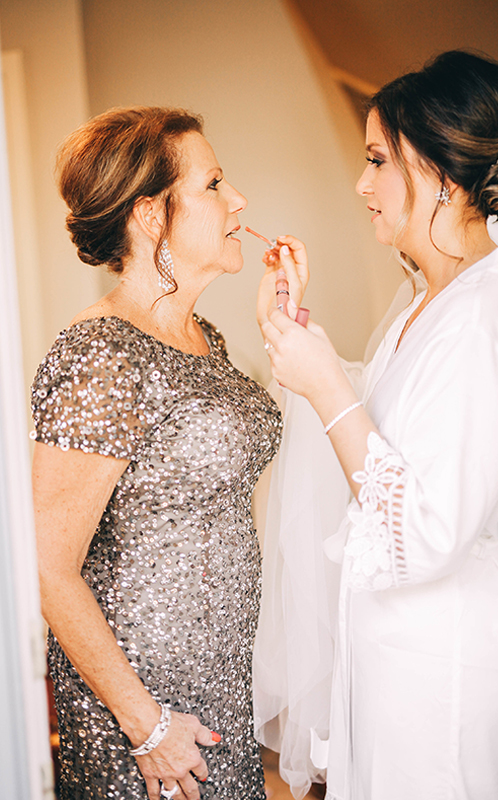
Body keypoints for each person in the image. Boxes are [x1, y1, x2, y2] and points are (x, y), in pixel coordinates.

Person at [255, 51, 498, 800]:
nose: (360, 183)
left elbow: (424, 529)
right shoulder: (428, 304)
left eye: (376, 160)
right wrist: (306, 345)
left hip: (442, 676)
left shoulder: (483, 314)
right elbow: (388, 432)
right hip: (394, 664)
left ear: (441, 175)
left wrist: (326, 385)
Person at [31, 106, 282, 800]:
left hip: (221, 691)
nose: (239, 202)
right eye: (214, 185)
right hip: (146, 716)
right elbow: (48, 566)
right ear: (151, 216)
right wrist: (146, 726)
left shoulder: (206, 336)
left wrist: (285, 329)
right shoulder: (101, 352)